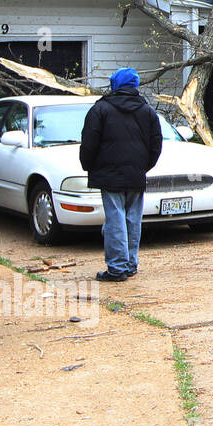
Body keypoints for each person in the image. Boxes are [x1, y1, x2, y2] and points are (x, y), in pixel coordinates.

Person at [79, 67, 162, 282]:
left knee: (115, 219)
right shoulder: (148, 111)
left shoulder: (101, 109)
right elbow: (156, 145)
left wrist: (88, 166)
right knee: (133, 219)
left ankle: (117, 268)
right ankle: (130, 264)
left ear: (115, 84)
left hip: (109, 175)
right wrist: (143, 167)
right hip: (135, 174)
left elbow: (89, 142)